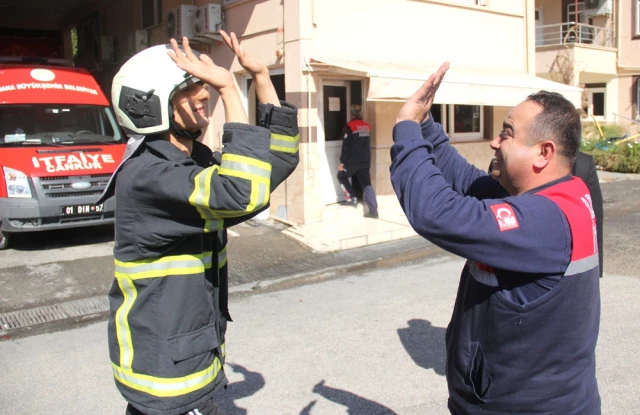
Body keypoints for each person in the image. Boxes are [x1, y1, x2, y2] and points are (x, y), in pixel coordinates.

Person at [95, 32, 299, 415]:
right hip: (164, 375)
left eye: (202, 85)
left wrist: (260, 77)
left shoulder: (192, 164)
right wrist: (229, 90)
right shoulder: (148, 176)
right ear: (150, 105)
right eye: (189, 88)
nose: (203, 93)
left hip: (188, 357)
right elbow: (242, 191)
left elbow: (278, 161)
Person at [390, 62, 600, 414]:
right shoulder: (561, 195)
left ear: (543, 152)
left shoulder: (543, 221)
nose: (493, 141)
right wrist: (426, 124)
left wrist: (407, 129)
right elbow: (468, 182)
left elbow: (436, 213)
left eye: (506, 133)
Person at [489, 151, 604, 278]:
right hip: (516, 252)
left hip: (565, 258)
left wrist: (596, 270)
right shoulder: (505, 162)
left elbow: (594, 218)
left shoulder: (583, 163)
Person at [337, 104, 379, 218]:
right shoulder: (367, 126)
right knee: (367, 184)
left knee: (341, 176)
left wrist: (342, 162)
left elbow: (346, 146)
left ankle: (351, 198)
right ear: (360, 114)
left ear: (351, 114)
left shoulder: (349, 127)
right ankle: (374, 211)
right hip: (365, 161)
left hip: (351, 161)